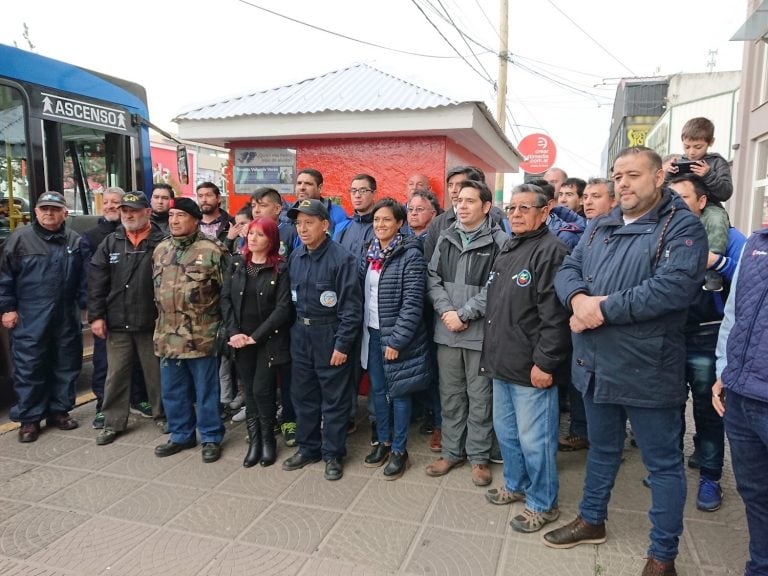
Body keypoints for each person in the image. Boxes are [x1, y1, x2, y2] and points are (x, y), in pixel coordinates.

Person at [544, 147, 708, 576]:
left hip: (648, 368)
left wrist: (601, 309)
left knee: (664, 466)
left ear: (658, 178)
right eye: (617, 176)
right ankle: (591, 519)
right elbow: (568, 270)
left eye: (633, 175)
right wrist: (578, 300)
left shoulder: (682, 227)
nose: (623, 183)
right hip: (595, 365)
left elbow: (671, 289)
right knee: (602, 450)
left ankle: (662, 556)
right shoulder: (600, 226)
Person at [480, 183, 571, 533]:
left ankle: (543, 503)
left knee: (537, 441)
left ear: (545, 211)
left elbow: (555, 316)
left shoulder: (552, 251)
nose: (516, 214)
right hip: (503, 361)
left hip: (532, 367)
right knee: (508, 435)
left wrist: (546, 363)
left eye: (524, 208)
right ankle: (516, 486)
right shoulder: (509, 248)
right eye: (512, 208)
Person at [669, 175, 746, 512]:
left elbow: (749, 281)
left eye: (682, 197)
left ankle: (711, 478)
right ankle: (669, 471)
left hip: (706, 336)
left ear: (701, 202)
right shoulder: (662, 233)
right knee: (669, 407)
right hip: (669, 336)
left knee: (707, 409)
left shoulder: (730, 237)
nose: (674, 203)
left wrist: (717, 262)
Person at [425, 179, 507, 487]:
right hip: (447, 331)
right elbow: (432, 278)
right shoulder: (446, 238)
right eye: (459, 201)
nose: (462, 205)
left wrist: (463, 314)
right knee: (451, 396)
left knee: (480, 397)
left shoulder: (500, 242)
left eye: (470, 201)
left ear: (486, 207)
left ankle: (479, 458)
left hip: (478, 334)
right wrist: (447, 312)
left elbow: (496, 287)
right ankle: (451, 452)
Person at [281, 199, 362, 481]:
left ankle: (333, 453)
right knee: (303, 396)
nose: (302, 229)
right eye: (298, 223)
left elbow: (351, 309)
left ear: (325, 225)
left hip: (330, 335)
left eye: (309, 222)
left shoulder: (342, 259)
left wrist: (342, 345)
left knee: (335, 400)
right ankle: (308, 448)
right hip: (301, 335)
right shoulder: (296, 256)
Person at [0, 191, 86, 442]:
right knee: (29, 366)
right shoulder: (19, 240)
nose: (49, 213)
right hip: (30, 313)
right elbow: (5, 278)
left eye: (55, 209)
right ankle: (29, 419)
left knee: (66, 362)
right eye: (44, 209)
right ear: (35, 212)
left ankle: (59, 411)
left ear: (65, 213)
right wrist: (7, 308)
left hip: (66, 313)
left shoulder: (75, 241)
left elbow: (84, 279)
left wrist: (89, 306)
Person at [152, 197, 228, 463]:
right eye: (171, 215)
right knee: (172, 389)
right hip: (167, 334)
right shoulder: (160, 250)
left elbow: (226, 293)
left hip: (202, 334)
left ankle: (210, 436)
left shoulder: (212, 251)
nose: (174, 220)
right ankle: (181, 434)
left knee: (206, 390)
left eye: (180, 216)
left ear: (195, 220)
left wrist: (224, 330)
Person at [360, 198, 431, 480]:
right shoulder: (370, 252)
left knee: (400, 393)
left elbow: (413, 303)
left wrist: (398, 341)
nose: (380, 225)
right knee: (378, 392)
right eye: (377, 220)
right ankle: (384, 441)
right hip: (373, 332)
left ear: (400, 223)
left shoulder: (410, 254)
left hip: (397, 337)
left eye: (387, 220)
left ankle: (400, 450)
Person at [88, 192, 166, 444]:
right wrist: (96, 316)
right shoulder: (111, 242)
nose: (128, 215)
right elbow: (97, 283)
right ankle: (112, 422)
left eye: (133, 210)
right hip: (117, 321)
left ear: (147, 212)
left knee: (156, 374)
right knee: (116, 374)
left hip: (151, 321)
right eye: (125, 211)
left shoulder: (163, 242)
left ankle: (163, 414)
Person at [713, 225, 768, 576]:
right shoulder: (756, 244)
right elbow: (734, 315)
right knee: (755, 495)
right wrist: (723, 369)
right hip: (741, 394)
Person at [221, 217, 292, 468]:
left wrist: (256, 336)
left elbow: (283, 309)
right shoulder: (237, 263)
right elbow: (226, 300)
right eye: (251, 233)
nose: (253, 238)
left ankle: (268, 441)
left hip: (267, 340)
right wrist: (233, 333)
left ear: (271, 240)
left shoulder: (280, 268)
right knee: (249, 391)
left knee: (263, 390)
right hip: (240, 340)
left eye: (260, 235)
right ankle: (255, 441)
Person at [249, 187, 298, 445]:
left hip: (283, 319)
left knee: (288, 374)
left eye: (263, 205)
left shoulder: (290, 232)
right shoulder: (247, 235)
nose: (257, 209)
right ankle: (262, 422)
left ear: (278, 208)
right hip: (254, 324)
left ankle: (290, 418)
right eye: (254, 205)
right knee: (259, 381)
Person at [664, 117, 733, 292]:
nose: (692, 152)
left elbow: (726, 192)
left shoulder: (717, 162)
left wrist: (708, 175)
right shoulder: (677, 161)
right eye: (687, 147)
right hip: (680, 206)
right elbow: (662, 191)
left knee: (717, 220)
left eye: (698, 147)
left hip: (710, 207)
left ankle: (713, 273)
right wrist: (667, 174)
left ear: (710, 143)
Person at [336, 173, 377, 440]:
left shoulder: (383, 225)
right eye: (353, 190)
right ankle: (347, 415)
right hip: (348, 310)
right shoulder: (342, 229)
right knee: (346, 367)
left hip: (375, 311)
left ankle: (377, 419)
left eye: (363, 190)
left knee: (375, 368)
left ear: (374, 193)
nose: (358, 195)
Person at [81, 186, 125, 429]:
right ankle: (103, 406)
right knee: (103, 361)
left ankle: (138, 399)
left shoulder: (136, 233)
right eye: (106, 202)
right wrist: (94, 312)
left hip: (132, 309)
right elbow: (91, 278)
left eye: (115, 202)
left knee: (136, 359)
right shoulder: (91, 236)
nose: (110, 206)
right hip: (106, 308)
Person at [406, 189, 443, 451]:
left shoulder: (441, 239)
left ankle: (440, 422)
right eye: (410, 209)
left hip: (433, 314)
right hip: (406, 316)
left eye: (420, 209)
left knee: (435, 370)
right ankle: (419, 411)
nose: (414, 213)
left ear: (434, 213)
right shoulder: (401, 238)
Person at [423, 165, 508, 260]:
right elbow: (430, 263)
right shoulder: (437, 223)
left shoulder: (495, 219)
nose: (454, 190)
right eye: (450, 185)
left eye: (459, 185)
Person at [290, 168, 350, 240]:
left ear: (320, 188)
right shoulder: (287, 214)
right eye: (299, 183)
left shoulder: (337, 213)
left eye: (308, 184)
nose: (302, 188)